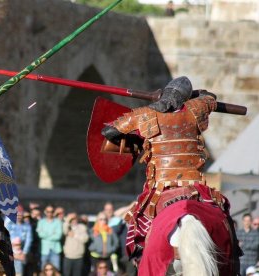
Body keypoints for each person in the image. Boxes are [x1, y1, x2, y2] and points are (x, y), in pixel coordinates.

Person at [101, 76, 240, 273]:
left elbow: (109, 132)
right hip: (195, 186)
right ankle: (233, 258)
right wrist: (192, 96)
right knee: (223, 213)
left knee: (139, 223)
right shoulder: (197, 108)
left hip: (160, 187)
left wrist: (155, 106)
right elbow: (209, 96)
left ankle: (138, 259)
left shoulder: (144, 114)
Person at [5, 206, 33, 275]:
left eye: (20, 215)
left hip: (21, 252)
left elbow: (28, 240)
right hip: (10, 251)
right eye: (16, 214)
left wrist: (24, 253)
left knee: (19, 272)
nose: (18, 216)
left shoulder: (27, 226)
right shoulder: (9, 224)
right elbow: (6, 237)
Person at [37, 205, 63, 271]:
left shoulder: (58, 222)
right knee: (44, 270)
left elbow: (58, 236)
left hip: (55, 249)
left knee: (56, 270)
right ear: (45, 212)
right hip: (44, 250)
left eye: (51, 211)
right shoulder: (41, 222)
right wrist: (52, 234)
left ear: (53, 212)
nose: (49, 213)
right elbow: (40, 234)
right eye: (48, 211)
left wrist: (45, 234)